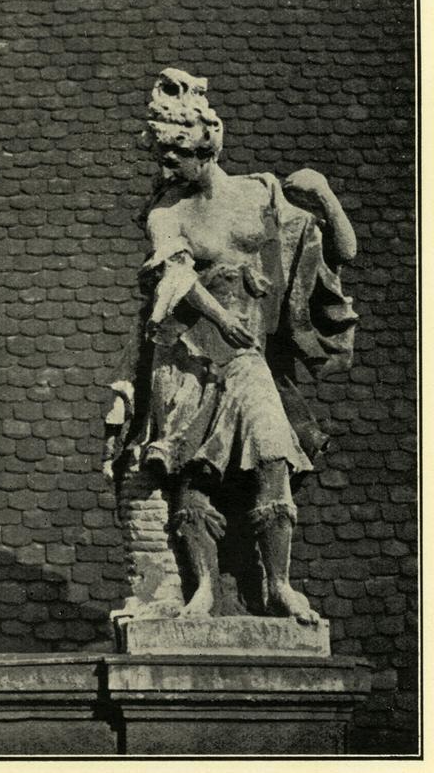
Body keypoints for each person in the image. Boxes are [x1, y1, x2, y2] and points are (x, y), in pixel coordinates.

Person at [105, 69, 357, 624]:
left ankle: (279, 585)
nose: (166, 167)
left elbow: (341, 252)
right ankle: (202, 590)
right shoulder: (167, 213)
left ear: (207, 144)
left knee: (273, 451)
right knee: (193, 470)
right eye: (161, 156)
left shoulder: (261, 193)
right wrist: (222, 318)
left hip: (246, 358)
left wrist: (325, 196)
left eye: (176, 155)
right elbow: (175, 278)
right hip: (190, 357)